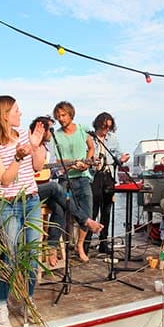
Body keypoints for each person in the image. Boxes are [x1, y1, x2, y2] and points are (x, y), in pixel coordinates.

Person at [0, 95, 46, 327]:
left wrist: (36, 146)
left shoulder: (22, 137)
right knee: (9, 258)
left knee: (32, 257)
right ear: (4, 114)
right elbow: (6, 179)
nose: (20, 113)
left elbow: (38, 167)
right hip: (8, 203)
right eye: (16, 110)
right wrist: (18, 156)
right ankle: (1, 306)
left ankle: (27, 301)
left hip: (31, 200)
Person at [29, 116, 102, 268]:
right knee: (56, 187)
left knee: (59, 206)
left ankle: (52, 247)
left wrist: (70, 166)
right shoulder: (29, 146)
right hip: (30, 190)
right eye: (50, 129)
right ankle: (86, 220)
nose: (52, 133)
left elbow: (53, 172)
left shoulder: (49, 150)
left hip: (42, 190)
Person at [52, 101, 97, 262]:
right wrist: (73, 163)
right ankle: (56, 247)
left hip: (83, 176)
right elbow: (57, 159)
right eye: (58, 117)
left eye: (63, 115)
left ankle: (80, 245)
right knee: (61, 211)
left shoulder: (82, 129)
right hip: (66, 177)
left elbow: (91, 147)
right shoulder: (56, 135)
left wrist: (87, 161)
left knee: (87, 210)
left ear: (71, 114)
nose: (61, 119)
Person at [87, 112, 130, 255]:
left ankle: (103, 242)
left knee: (107, 210)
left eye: (109, 127)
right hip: (94, 176)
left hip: (109, 175)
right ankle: (86, 244)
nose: (106, 130)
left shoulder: (113, 139)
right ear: (99, 124)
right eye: (104, 126)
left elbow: (118, 155)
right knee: (92, 211)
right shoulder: (90, 138)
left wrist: (123, 158)